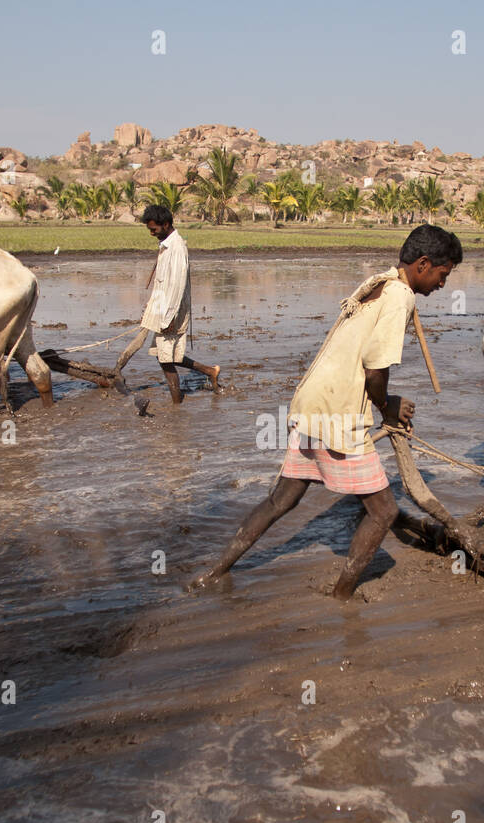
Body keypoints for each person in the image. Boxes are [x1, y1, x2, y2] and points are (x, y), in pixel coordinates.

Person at [189, 224, 462, 600]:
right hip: (339, 413)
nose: (442, 285)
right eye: (443, 276)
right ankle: (342, 597)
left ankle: (214, 572)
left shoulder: (378, 282)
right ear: (423, 264)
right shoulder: (399, 296)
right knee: (383, 512)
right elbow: (374, 371)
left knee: (281, 500)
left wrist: (386, 401)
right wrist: (388, 406)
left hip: (312, 402)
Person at [114, 204, 220, 403]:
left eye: (154, 229)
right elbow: (164, 284)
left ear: (166, 224)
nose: (152, 233)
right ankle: (209, 371)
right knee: (166, 355)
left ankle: (177, 405)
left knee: (165, 358)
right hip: (163, 309)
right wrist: (153, 307)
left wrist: (169, 317)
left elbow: (177, 286)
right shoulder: (166, 245)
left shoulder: (177, 248)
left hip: (171, 313)